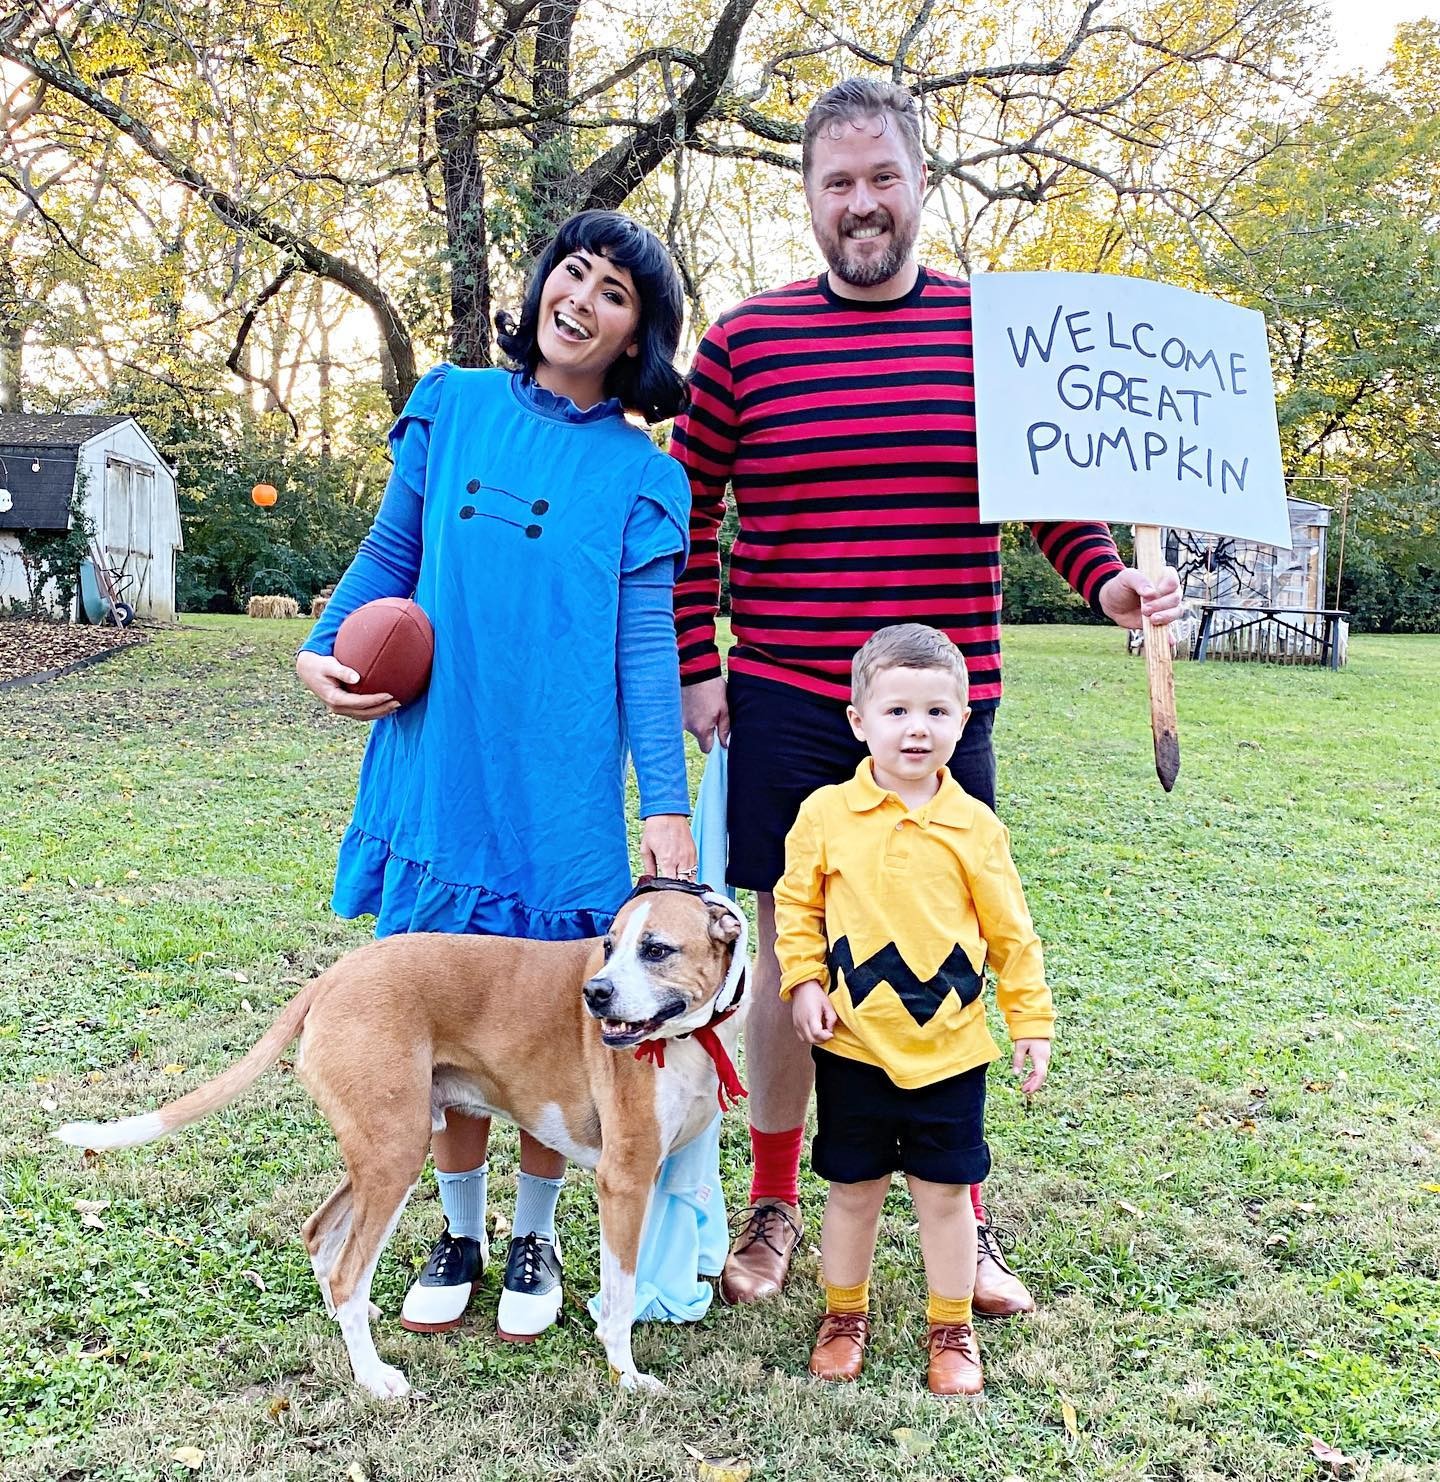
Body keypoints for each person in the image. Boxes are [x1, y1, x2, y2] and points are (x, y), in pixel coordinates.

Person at [670, 76, 1183, 1314]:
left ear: (920, 185)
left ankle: (967, 1213)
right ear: (806, 198)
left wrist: (1109, 583)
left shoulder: (997, 338)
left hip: (948, 710)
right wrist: (698, 661)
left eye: (881, 178)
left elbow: (1057, 500)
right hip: (791, 696)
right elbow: (686, 517)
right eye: (836, 183)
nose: (861, 204)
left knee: (945, 944)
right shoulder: (744, 343)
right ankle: (778, 1200)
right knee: (801, 950)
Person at [296, 209, 697, 1344]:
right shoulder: (455, 403)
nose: (583, 297)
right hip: (443, 764)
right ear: (540, 287)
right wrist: (321, 645)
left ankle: (534, 1231)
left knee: (548, 1026)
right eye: (572, 272)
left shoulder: (641, 474)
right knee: (450, 1012)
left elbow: (643, 647)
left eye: (615, 292)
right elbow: (389, 554)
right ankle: (458, 1228)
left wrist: (663, 802)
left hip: (561, 791)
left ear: (636, 335)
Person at [775, 624, 1052, 1395]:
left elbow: (1010, 933)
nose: (917, 728)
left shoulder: (976, 827)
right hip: (856, 1045)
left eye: (936, 711)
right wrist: (802, 981)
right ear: (860, 721)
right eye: (897, 711)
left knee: (945, 1196)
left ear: (964, 722)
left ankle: (951, 1326)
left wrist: (1029, 1020)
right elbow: (797, 911)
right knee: (852, 1190)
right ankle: (843, 1314)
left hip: (951, 1052)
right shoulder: (826, 814)